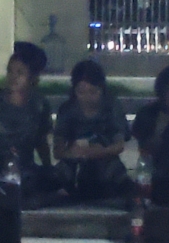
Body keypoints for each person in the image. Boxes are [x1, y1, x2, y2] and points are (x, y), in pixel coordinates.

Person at [0, 41, 55, 205]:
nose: (13, 77)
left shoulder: (39, 105)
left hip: (22, 167)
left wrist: (48, 168)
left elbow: (41, 141)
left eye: (20, 73)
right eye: (10, 71)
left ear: (32, 77)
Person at [53, 58, 134, 203]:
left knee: (116, 174)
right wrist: (73, 152)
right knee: (59, 175)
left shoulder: (111, 107)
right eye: (81, 92)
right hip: (75, 162)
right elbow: (58, 150)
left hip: (105, 160)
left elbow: (119, 144)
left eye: (93, 92)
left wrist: (101, 151)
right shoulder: (67, 110)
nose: (87, 98)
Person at [131, 64, 169, 205]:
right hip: (156, 170)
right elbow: (145, 150)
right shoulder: (148, 113)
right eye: (168, 91)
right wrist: (161, 126)